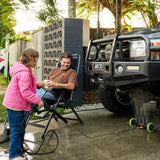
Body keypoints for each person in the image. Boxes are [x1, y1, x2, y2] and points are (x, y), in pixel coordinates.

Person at [0, 52, 78, 143]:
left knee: (28, 98)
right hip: (42, 90)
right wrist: (37, 84)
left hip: (53, 94)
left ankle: (11, 130)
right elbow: (44, 82)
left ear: (71, 63)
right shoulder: (55, 70)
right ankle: (9, 128)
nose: (66, 64)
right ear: (60, 61)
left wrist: (55, 84)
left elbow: (72, 86)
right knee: (20, 96)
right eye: (64, 62)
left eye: (68, 63)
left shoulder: (72, 72)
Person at [2, 48, 44, 160]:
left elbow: (27, 87)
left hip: (15, 104)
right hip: (15, 106)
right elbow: (25, 92)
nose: (36, 62)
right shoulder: (24, 73)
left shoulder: (23, 70)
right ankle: (14, 155)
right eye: (36, 59)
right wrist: (38, 100)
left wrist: (40, 85)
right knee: (16, 130)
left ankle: (18, 150)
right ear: (31, 59)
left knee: (21, 128)